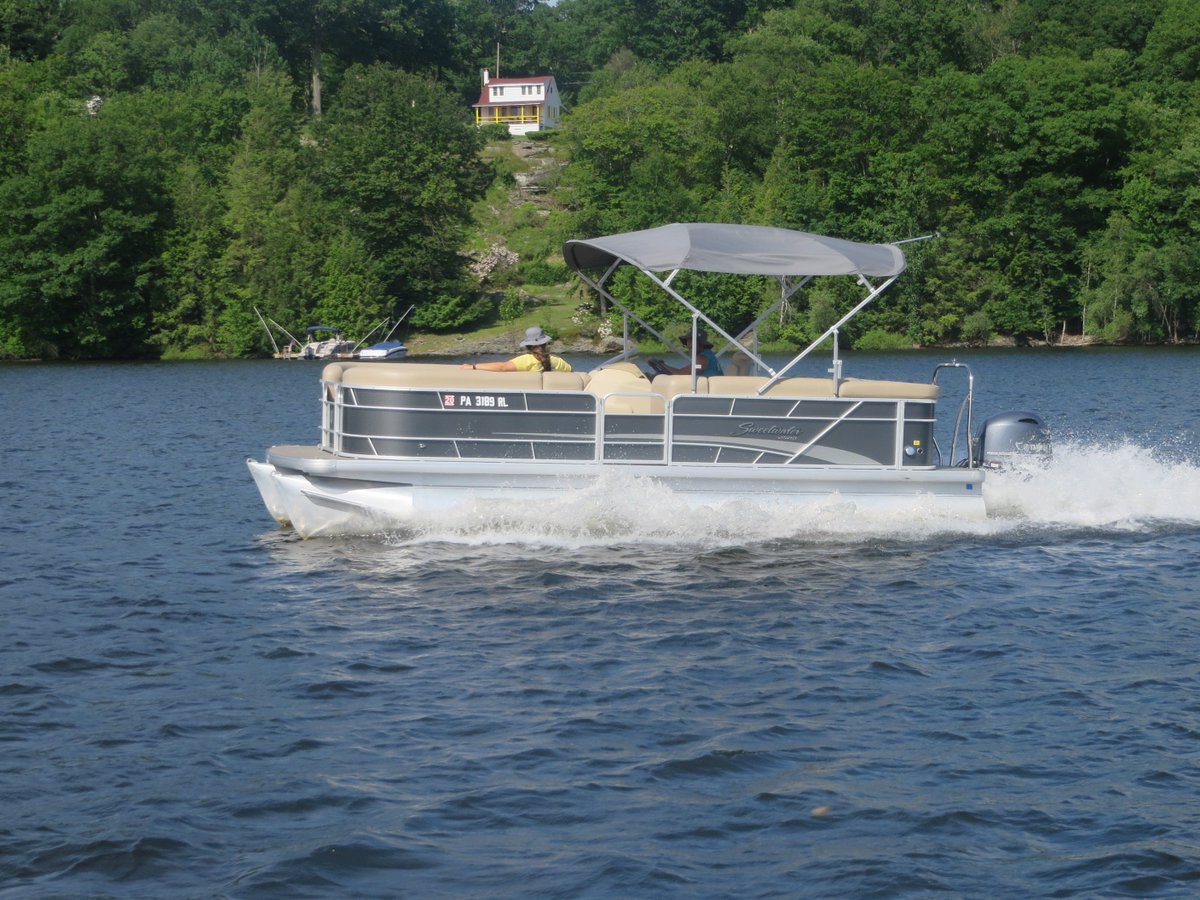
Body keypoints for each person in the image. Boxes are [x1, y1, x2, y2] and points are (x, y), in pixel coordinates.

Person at [463, 325, 573, 372]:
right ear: (545, 343)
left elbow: (503, 368)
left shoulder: (525, 361)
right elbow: (571, 372)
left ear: (527, 345)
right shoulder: (557, 361)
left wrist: (473, 367)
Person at [648, 328, 723, 377]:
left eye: (692, 345)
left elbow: (680, 374)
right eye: (688, 345)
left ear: (700, 344)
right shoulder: (706, 354)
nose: (689, 347)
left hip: (709, 395)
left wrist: (661, 364)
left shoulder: (702, 359)